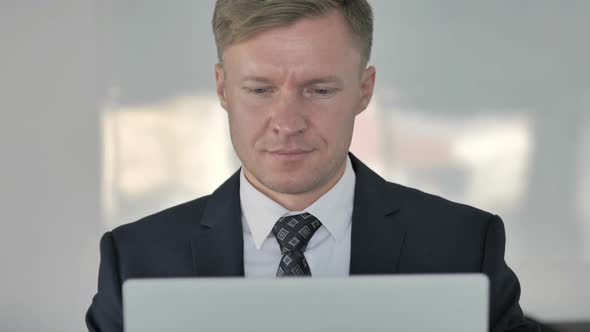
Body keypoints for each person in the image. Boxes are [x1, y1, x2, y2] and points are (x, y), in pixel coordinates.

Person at [86, 1, 539, 331]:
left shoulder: (463, 245)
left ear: (365, 90)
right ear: (223, 89)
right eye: (260, 90)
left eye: (319, 90)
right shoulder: (136, 259)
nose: (287, 123)